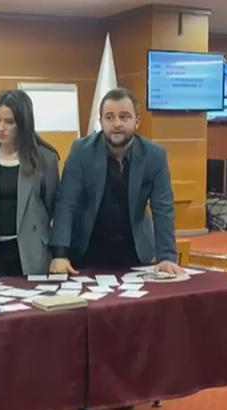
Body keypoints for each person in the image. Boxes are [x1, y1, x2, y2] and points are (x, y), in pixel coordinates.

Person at [49, 87, 184, 275]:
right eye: (109, 117)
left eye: (124, 117)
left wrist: (167, 256)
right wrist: (60, 253)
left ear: (137, 121)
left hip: (135, 250)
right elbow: (66, 203)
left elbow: (163, 209)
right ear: (101, 121)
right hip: (86, 250)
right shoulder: (81, 151)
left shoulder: (154, 156)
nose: (117, 124)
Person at [0, 89, 60, 280]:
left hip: (30, 252)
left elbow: (51, 205)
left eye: (9, 122)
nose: (1, 128)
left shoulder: (45, 158)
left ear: (23, 123)